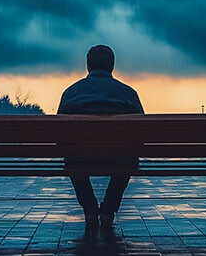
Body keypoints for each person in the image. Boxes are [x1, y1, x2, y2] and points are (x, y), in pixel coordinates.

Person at [57, 44, 144, 238]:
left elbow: (60, 138)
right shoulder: (128, 93)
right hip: (119, 159)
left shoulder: (71, 93)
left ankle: (90, 210)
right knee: (129, 160)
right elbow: (140, 137)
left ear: (88, 66)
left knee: (72, 160)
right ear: (112, 66)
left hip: (80, 159)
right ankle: (108, 211)